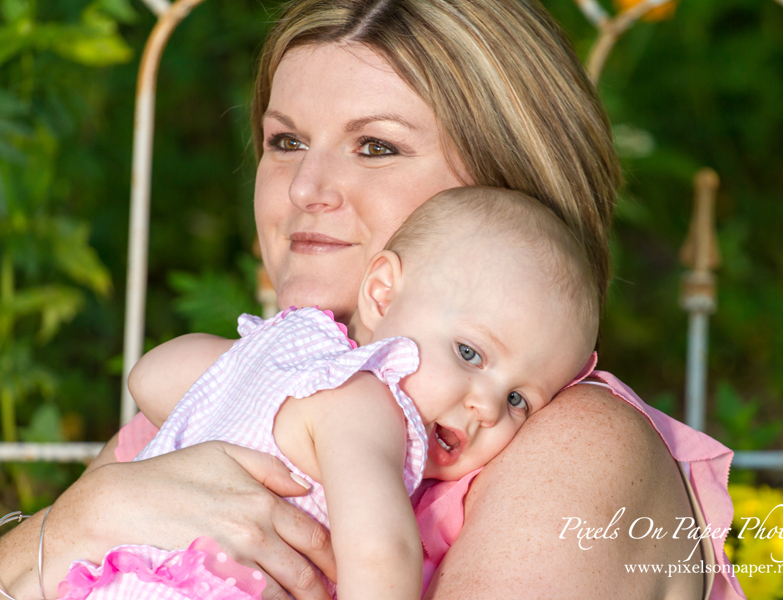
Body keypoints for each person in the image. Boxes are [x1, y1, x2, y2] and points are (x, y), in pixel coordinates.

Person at [0, 1, 745, 599]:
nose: (303, 190)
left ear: (502, 178)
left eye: (376, 147)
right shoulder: (258, 386)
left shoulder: (569, 444)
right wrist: (74, 524)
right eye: (286, 141)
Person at [56, 187, 600, 600]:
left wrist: (248, 372)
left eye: (518, 401)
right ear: (382, 295)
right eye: (469, 354)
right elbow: (380, 554)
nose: (485, 405)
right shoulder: (365, 405)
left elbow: (149, 377)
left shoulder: (284, 351)